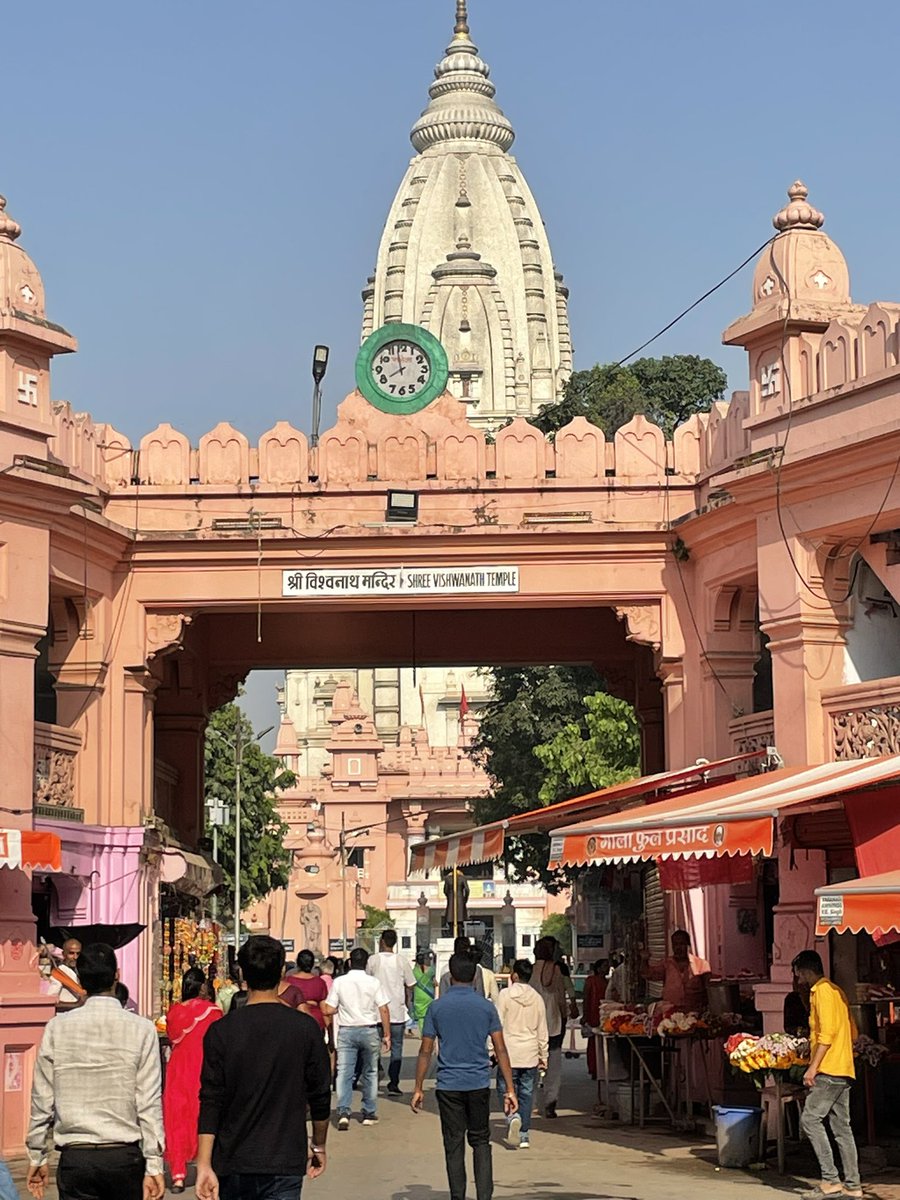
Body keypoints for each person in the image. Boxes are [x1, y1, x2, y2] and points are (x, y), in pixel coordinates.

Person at [25, 942, 165, 1200]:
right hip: (124, 1157)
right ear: (117, 975)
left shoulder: (57, 1028)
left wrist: (37, 1154)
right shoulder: (143, 1029)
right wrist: (154, 1162)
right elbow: (148, 1101)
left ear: (80, 978)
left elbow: (41, 1098)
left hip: (76, 1158)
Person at [197, 935, 331, 1200]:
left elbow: (211, 1099)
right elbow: (320, 1094)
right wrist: (318, 1144)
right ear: (282, 971)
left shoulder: (221, 1031)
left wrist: (203, 1163)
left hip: (233, 1158)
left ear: (242, 973)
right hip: (284, 1159)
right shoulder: (305, 1029)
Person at [411, 952, 517, 1200]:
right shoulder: (486, 1007)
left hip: (448, 1086)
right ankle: (484, 1196)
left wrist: (418, 1087)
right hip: (478, 1083)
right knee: (481, 1141)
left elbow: (425, 1050)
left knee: (454, 1143)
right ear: (475, 976)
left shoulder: (437, 1008)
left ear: (450, 974)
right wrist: (510, 1089)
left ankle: (457, 1196)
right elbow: (500, 1048)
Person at [792, 950, 861, 1200]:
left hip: (829, 1070)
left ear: (804, 971)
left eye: (798, 972)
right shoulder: (836, 991)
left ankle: (831, 1180)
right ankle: (853, 1185)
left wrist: (813, 1067)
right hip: (844, 1069)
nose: (797, 978)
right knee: (842, 1128)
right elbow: (852, 1033)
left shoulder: (821, 992)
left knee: (810, 1119)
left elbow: (827, 1034)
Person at [163, 966, 223, 1193]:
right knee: (204, 1117)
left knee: (177, 1119)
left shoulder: (174, 1012)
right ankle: (205, 1166)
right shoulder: (213, 1011)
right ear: (203, 987)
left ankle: (178, 1175)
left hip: (178, 1070)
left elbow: (171, 1037)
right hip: (204, 1068)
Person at [322, 947, 391, 1129]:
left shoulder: (339, 982)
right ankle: (368, 1112)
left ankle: (344, 1112)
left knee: (344, 1072)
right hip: (368, 1030)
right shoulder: (373, 982)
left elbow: (328, 1009)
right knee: (370, 1072)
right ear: (366, 963)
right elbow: (383, 1008)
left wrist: (341, 1009)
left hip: (346, 1031)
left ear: (350, 963)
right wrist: (387, 1034)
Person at [495, 959, 548, 1149]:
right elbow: (543, 1030)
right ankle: (524, 1134)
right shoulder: (537, 998)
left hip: (507, 1052)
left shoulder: (505, 995)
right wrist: (544, 1056)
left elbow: (496, 1025)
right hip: (530, 1053)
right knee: (526, 1092)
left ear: (515, 975)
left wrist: (492, 1050)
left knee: (506, 1090)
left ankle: (512, 1117)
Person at [366, 929, 415, 1094]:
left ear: (381, 941)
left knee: (374, 1048)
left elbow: (366, 981)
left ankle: (375, 1075)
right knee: (397, 1049)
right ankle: (394, 1082)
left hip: (376, 1012)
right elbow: (411, 984)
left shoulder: (373, 960)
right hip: (396, 1011)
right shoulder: (402, 961)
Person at [527, 937, 569, 1118]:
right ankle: (550, 1103)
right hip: (552, 1022)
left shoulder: (529, 970)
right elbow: (560, 997)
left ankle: (531, 1103)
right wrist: (565, 1016)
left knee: (531, 1065)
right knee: (553, 1065)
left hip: (532, 1023)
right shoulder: (556, 969)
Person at [642, 930, 711, 1012]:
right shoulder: (666, 964)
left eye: (681, 944)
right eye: (675, 944)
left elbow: (709, 989)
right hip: (671, 1013)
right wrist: (644, 960)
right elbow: (648, 974)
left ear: (688, 945)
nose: (678, 948)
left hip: (694, 1013)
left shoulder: (701, 964)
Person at [285, 949, 331, 1033]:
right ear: (313, 964)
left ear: (297, 963)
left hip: (294, 1024)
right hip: (317, 1024)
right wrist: (330, 1034)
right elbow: (324, 1010)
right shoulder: (320, 982)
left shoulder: (288, 981)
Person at [581, 960, 608, 1079]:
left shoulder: (606, 982)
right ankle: (593, 1068)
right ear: (598, 968)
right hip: (593, 1014)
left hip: (603, 1014)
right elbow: (586, 997)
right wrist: (585, 1014)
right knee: (593, 1043)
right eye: (605, 966)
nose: (607, 968)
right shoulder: (591, 981)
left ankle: (600, 1068)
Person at [45, 937, 85, 1011]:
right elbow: (51, 1001)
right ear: (63, 954)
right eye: (71, 953)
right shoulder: (59, 974)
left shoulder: (80, 970)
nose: (75, 957)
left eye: (78, 953)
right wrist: (77, 1004)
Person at [412, 950, 437, 1033]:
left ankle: (423, 1033)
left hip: (418, 996)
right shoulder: (431, 971)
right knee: (429, 1015)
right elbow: (435, 983)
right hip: (429, 996)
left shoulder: (414, 971)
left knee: (421, 1017)